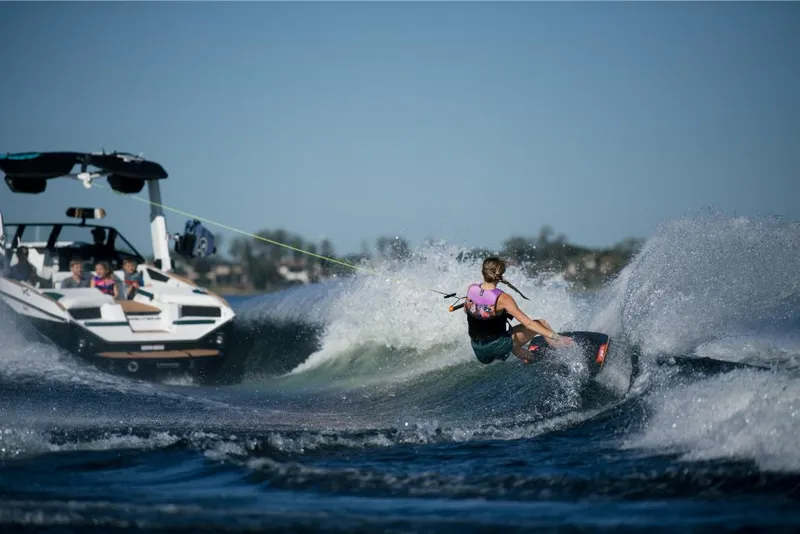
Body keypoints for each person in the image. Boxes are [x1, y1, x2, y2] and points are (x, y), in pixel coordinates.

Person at [464, 257, 573, 364]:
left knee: (509, 335)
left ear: (483, 271)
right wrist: (556, 337)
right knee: (541, 323)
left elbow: (467, 310)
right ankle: (562, 351)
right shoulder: (503, 298)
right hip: (495, 347)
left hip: (478, 348)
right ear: (501, 274)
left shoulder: (471, 288)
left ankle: (532, 358)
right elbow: (529, 324)